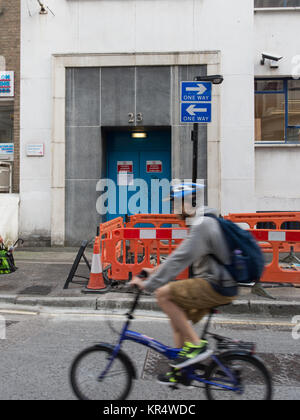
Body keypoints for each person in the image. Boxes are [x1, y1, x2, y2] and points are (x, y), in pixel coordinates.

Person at [130, 183, 239, 386]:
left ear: (188, 202)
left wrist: (150, 283)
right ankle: (179, 370)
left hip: (216, 284)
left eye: (175, 203)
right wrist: (150, 271)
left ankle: (196, 346)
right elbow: (180, 256)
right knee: (176, 315)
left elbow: (179, 260)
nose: (172, 210)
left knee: (163, 294)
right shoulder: (199, 222)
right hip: (216, 282)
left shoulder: (202, 224)